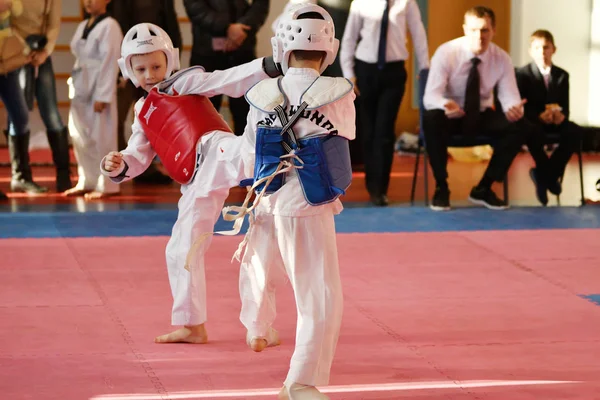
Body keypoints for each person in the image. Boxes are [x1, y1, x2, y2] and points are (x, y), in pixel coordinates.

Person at [101, 22, 282, 344]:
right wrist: (118, 166)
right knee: (180, 247)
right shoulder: (142, 111)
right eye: (140, 68)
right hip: (196, 182)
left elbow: (224, 79)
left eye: (156, 65)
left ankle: (281, 123)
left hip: (217, 151)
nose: (149, 74)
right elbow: (137, 156)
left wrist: (268, 66)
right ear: (127, 69)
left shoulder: (183, 83)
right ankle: (191, 324)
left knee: (248, 152)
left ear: (169, 61)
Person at [237, 4, 354, 398]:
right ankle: (300, 382)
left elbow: (249, 149)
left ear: (282, 46)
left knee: (260, 265)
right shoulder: (339, 92)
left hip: (267, 198)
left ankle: (257, 326)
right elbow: (343, 140)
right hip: (308, 204)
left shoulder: (260, 94)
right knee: (319, 294)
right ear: (329, 46)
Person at [422, 6, 551, 210]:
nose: (479, 36)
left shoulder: (501, 58)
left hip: (481, 115)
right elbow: (431, 96)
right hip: (451, 115)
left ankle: (484, 188)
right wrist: (445, 104)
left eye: (484, 30)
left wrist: (514, 109)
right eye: (474, 30)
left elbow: (510, 97)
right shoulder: (446, 53)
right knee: (431, 118)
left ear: (493, 31)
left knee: (521, 125)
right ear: (465, 30)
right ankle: (441, 187)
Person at [340, 0, 429, 206]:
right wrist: (349, 74)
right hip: (365, 71)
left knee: (385, 131)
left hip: (394, 71)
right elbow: (349, 39)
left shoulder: (406, 3)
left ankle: (381, 189)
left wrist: (424, 67)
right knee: (369, 131)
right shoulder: (360, 3)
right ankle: (371, 183)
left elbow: (418, 33)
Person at [10, 0, 72, 192]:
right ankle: (20, 176)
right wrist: (21, 50)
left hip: (42, 54)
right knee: (17, 115)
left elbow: (53, 25)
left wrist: (45, 51)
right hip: (14, 53)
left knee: (51, 113)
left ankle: (63, 173)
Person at [183, 0, 270, 136]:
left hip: (243, 52)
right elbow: (195, 7)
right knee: (203, 117)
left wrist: (244, 27)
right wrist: (227, 28)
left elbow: (261, 4)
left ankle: (245, 156)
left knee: (246, 116)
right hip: (206, 54)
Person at [516, 29, 582, 205]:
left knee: (574, 132)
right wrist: (538, 116)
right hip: (534, 122)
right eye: (537, 48)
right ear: (531, 50)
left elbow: (565, 107)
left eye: (546, 47)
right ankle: (550, 178)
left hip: (555, 121)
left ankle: (544, 175)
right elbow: (522, 106)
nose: (542, 52)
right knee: (532, 131)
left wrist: (561, 116)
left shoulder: (562, 75)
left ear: (554, 49)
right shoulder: (522, 74)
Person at [65, 0, 122, 200]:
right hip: (81, 86)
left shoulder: (111, 26)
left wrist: (104, 94)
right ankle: (86, 180)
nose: (88, 2)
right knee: (80, 137)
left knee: (102, 138)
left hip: (99, 88)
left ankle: (106, 184)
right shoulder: (82, 25)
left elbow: (111, 61)